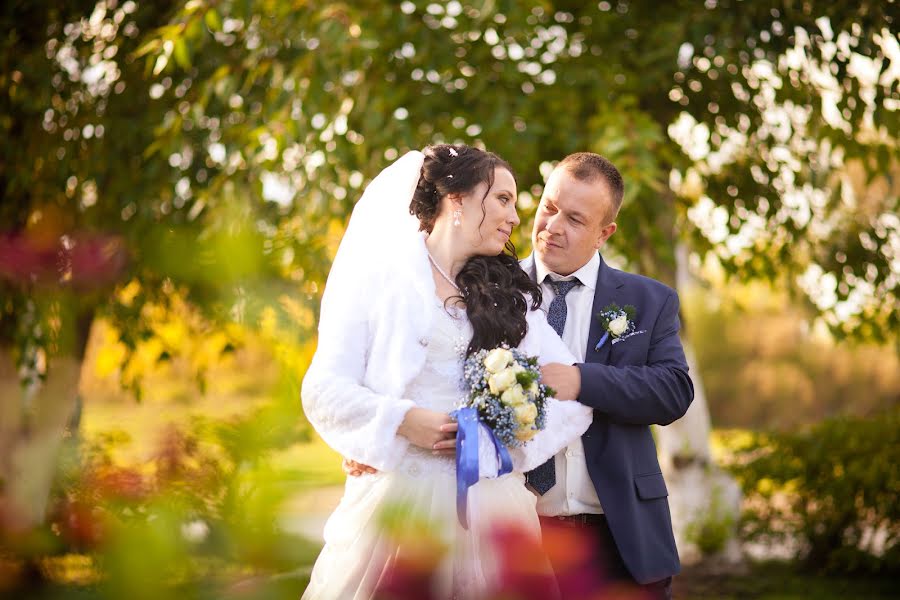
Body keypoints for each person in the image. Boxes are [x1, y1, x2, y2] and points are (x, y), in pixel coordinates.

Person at [300, 144, 593, 600]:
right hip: (396, 503)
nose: (516, 217)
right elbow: (322, 390)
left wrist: (500, 441)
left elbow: (571, 397)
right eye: (503, 198)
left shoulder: (511, 295)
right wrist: (398, 421)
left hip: (492, 505)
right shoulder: (379, 281)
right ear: (456, 200)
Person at [527, 152, 694, 600]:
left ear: (605, 233)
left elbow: (674, 391)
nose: (553, 226)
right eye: (549, 207)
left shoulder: (648, 300)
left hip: (620, 535)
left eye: (576, 219)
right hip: (518, 530)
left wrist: (581, 381)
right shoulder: (491, 291)